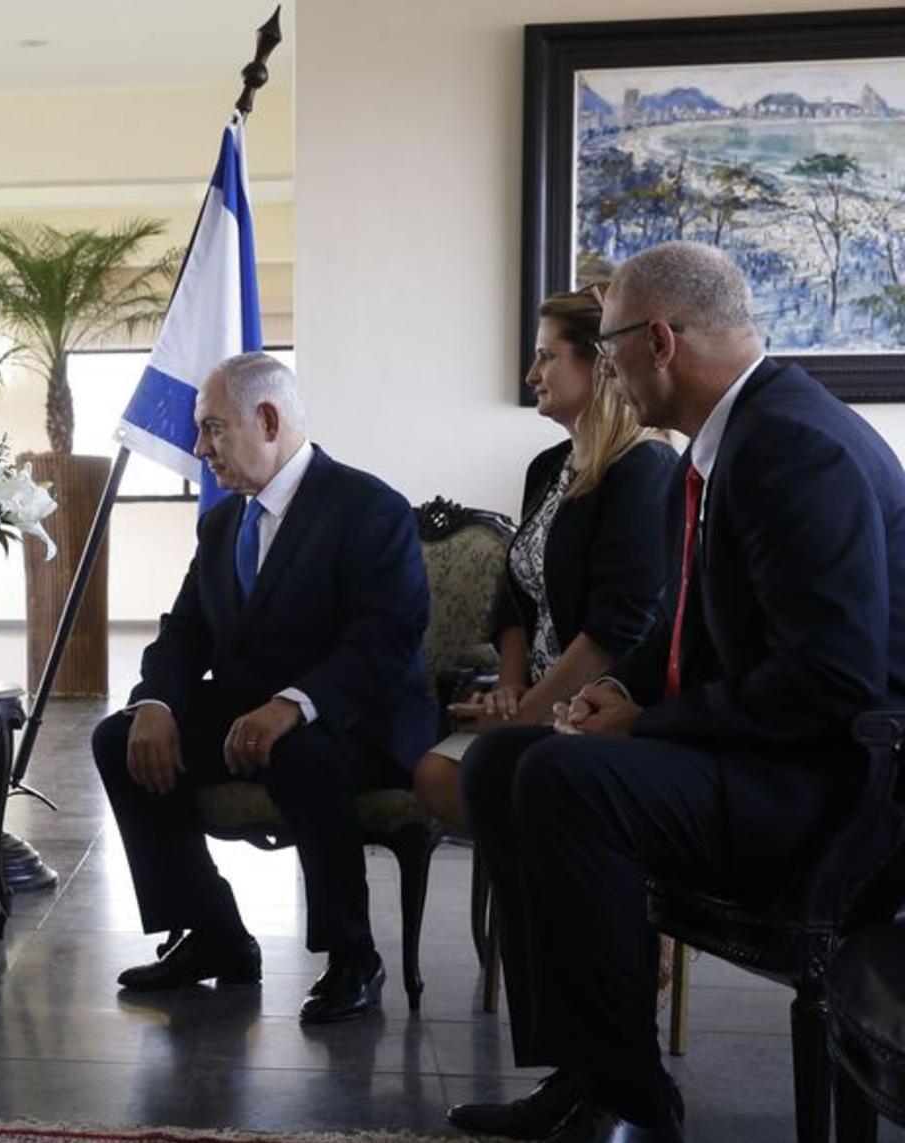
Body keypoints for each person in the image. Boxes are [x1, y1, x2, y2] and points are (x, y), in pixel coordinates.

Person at [453, 242, 905, 1143]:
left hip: (834, 790)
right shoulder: (731, 440)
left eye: (610, 344)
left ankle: (633, 1099)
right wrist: (617, 686)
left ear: (659, 340)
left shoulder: (792, 450)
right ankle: (582, 1069)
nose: (607, 365)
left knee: (565, 781)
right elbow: (691, 618)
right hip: (763, 754)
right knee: (504, 759)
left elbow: (833, 680)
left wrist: (651, 722)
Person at [91, 352, 434, 1025]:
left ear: (268, 419)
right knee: (118, 738)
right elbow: (184, 629)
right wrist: (155, 704)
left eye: (213, 428)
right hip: (250, 711)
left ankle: (351, 955)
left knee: (304, 751)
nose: (199, 447)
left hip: (356, 713)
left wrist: (292, 705)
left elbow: (385, 638)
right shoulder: (224, 522)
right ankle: (213, 931)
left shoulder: (369, 507)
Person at [409, 288, 675, 828]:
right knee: (437, 773)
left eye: (546, 356)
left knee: (482, 775)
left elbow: (618, 628)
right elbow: (515, 599)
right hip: (537, 697)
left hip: (601, 706)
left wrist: (526, 717)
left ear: (599, 365)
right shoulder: (546, 467)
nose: (532, 374)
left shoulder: (644, 468)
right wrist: (511, 687)